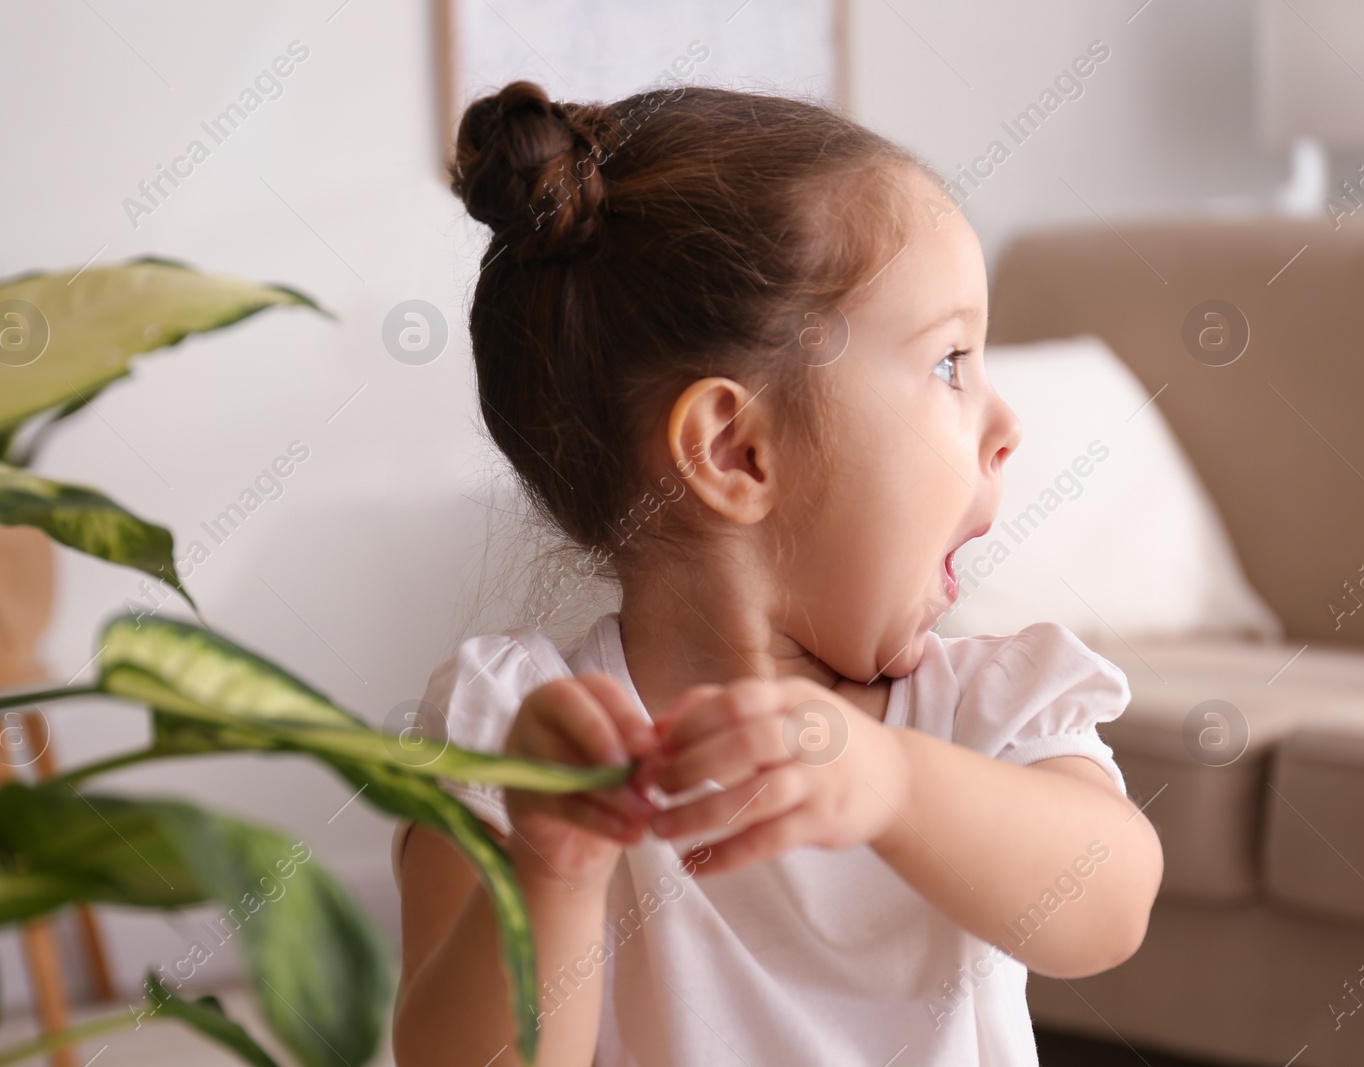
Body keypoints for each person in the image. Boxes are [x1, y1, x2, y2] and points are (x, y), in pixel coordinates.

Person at [391, 79, 1163, 1067]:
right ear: (736, 451)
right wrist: (552, 867)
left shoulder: (985, 709)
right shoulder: (518, 727)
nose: (1008, 427)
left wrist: (892, 782)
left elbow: (1108, 904)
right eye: (948, 361)